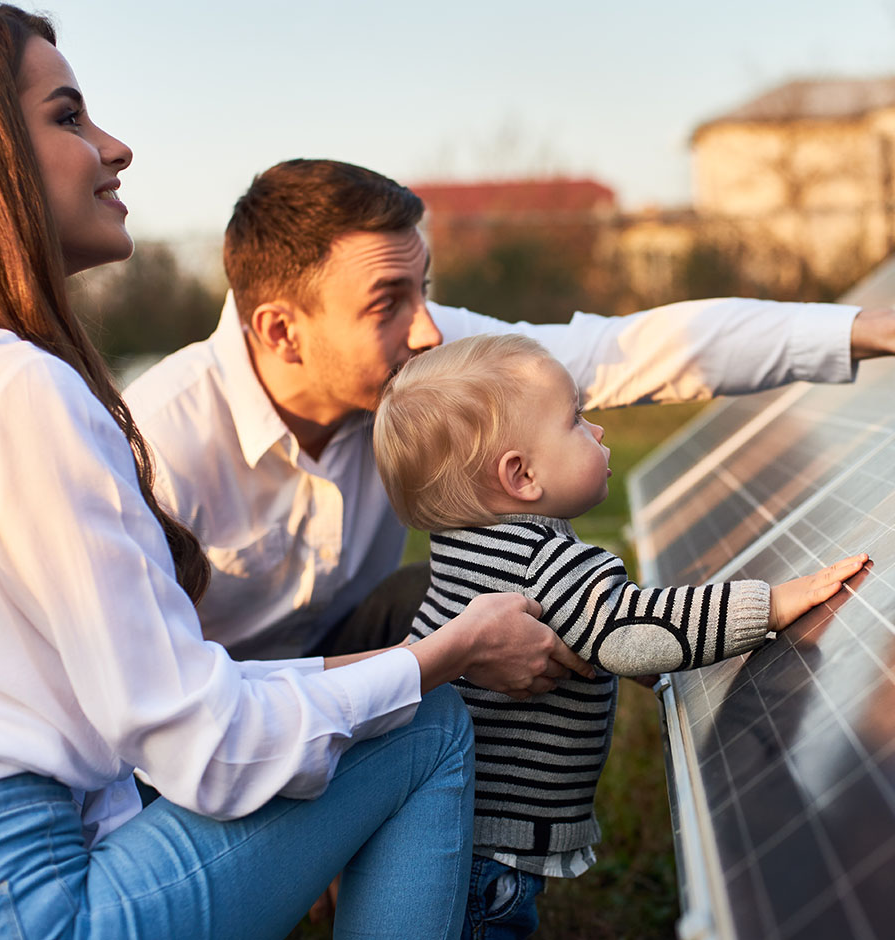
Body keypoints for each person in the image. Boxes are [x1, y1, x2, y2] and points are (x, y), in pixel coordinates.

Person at [0, 5, 591, 938]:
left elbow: (147, 723)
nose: (115, 147)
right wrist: (446, 655)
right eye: (69, 115)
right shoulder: (20, 390)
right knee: (428, 722)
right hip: (29, 905)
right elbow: (202, 746)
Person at [125, 158, 895, 666]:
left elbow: (625, 351)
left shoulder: (423, 365)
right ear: (281, 330)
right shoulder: (158, 447)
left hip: (353, 653)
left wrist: (863, 328)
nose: (428, 331)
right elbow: (158, 702)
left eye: (424, 287)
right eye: (388, 303)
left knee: (489, 596)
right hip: (203, 731)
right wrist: (444, 660)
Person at [372, 332, 868, 939]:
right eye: (577, 419)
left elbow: (586, 632)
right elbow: (630, 628)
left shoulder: (461, 553)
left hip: (449, 829)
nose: (600, 431)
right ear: (521, 475)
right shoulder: (545, 562)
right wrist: (772, 604)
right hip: (490, 859)